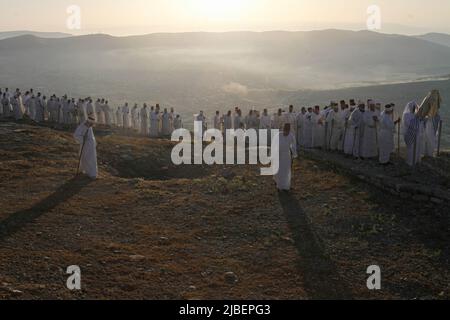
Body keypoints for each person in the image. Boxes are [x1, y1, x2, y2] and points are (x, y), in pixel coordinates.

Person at [274, 123, 298, 192]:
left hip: (286, 156)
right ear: (283, 129)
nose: (286, 132)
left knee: (286, 170)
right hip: (279, 154)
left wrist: (294, 154)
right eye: (285, 130)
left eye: (287, 130)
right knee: (279, 169)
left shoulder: (291, 136)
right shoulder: (278, 135)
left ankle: (286, 185)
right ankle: (279, 185)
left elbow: (293, 146)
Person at [74, 115, 98, 179]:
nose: (91, 125)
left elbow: (91, 136)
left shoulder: (89, 126)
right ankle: (89, 172)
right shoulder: (82, 126)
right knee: (86, 158)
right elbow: (76, 135)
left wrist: (94, 143)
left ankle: (92, 173)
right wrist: (82, 139)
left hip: (91, 146)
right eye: (91, 124)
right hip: (85, 145)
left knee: (92, 159)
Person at [402, 101, 424, 166]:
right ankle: (410, 161)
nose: (414, 109)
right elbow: (409, 124)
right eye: (413, 107)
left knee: (416, 147)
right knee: (411, 148)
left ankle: (416, 160)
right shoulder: (406, 115)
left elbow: (420, 123)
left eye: (415, 107)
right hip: (409, 134)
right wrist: (417, 120)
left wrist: (421, 120)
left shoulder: (415, 115)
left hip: (416, 135)